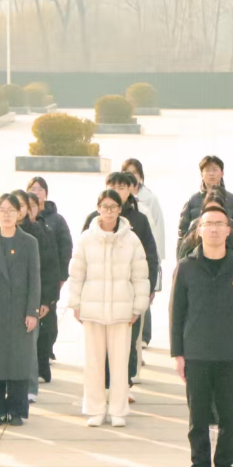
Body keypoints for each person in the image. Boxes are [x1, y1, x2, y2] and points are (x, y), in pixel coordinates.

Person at [171, 204, 233, 467]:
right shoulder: (186, 267)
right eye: (208, 224)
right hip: (195, 353)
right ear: (199, 230)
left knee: (228, 419)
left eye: (220, 224)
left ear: (229, 230)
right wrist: (177, 353)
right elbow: (176, 312)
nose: (214, 229)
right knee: (197, 419)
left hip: (230, 353)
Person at [68, 190, 150, 427]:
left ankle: (118, 410)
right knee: (93, 363)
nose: (109, 211)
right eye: (105, 207)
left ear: (120, 209)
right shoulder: (86, 238)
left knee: (120, 364)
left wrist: (138, 307)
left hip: (122, 311)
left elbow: (140, 275)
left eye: (113, 207)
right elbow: (76, 273)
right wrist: (75, 303)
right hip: (92, 310)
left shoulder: (131, 239)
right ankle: (95, 409)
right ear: (98, 208)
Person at [84, 172, 160, 385]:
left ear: (130, 190)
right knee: (99, 348)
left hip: (127, 295)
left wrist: (148, 289)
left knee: (126, 344)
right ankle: (102, 388)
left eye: (122, 187)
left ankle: (123, 386)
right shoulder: (93, 220)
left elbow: (150, 257)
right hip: (98, 296)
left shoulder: (139, 220)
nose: (117, 190)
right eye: (112, 186)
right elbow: (81, 259)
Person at [0, 194, 42, 427]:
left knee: (18, 361)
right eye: (2, 210)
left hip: (20, 310)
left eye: (11, 210)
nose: (7, 214)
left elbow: (35, 280)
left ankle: (16, 410)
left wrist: (32, 311)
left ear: (19, 213)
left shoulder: (29, 242)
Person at [15, 189, 61, 390]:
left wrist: (47, 300)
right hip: (9, 300)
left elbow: (50, 268)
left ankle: (31, 383)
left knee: (33, 340)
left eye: (21, 206)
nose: (16, 211)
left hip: (34, 298)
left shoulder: (38, 233)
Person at [122, 158, 166, 346]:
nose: (132, 176)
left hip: (145, 255)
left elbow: (158, 228)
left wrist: (158, 258)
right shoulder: (114, 200)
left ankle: (144, 336)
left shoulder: (149, 199)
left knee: (144, 298)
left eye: (135, 172)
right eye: (128, 172)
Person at [29, 176, 73, 364]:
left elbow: (65, 248)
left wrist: (62, 276)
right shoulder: (22, 218)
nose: (36, 192)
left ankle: (47, 350)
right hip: (29, 278)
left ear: (46, 193)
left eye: (40, 189)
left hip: (49, 276)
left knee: (48, 317)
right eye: (32, 188)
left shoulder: (56, 220)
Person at [177, 155, 233, 255]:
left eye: (214, 170)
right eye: (207, 170)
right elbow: (182, 233)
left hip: (228, 255)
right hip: (198, 255)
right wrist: (181, 258)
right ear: (201, 174)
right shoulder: (193, 200)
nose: (211, 174)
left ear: (222, 173)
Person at [179, 187, 233, 261]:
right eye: (209, 210)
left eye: (217, 210)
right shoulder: (194, 230)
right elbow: (182, 259)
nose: (213, 215)